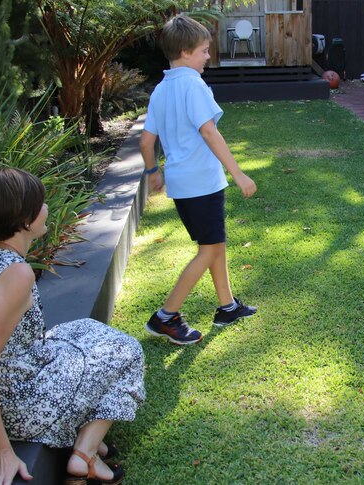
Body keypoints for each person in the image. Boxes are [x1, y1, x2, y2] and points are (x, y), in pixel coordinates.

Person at [0, 168, 145, 485]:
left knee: (86, 330)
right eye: (40, 204)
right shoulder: (16, 274)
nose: (47, 209)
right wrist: (0, 453)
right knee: (129, 351)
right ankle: (85, 454)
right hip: (15, 401)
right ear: (24, 220)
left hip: (1, 380)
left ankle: (85, 441)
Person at [139, 14, 258, 345]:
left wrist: (153, 173)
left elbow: (147, 142)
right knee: (207, 250)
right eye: (205, 50)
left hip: (182, 185)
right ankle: (166, 316)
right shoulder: (194, 85)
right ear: (187, 52)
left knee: (214, 244)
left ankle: (227, 306)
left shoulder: (161, 89)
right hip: (202, 184)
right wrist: (238, 173)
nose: (208, 57)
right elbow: (209, 131)